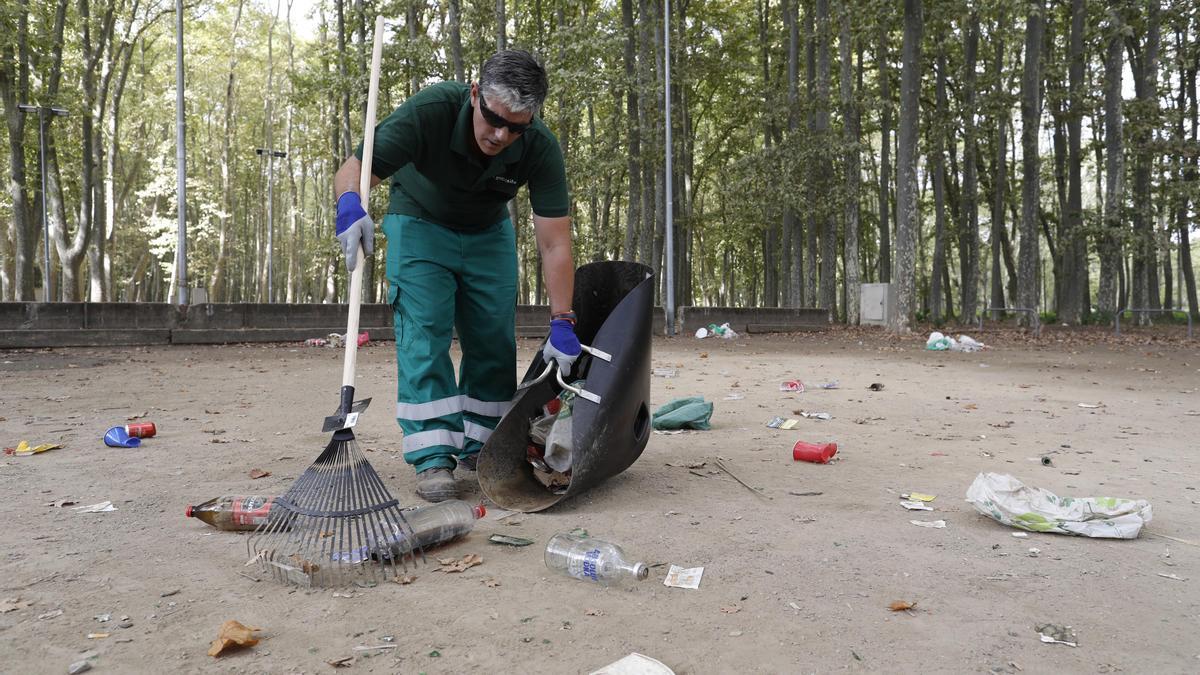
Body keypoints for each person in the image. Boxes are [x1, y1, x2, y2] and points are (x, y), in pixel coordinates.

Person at [331, 49, 580, 503]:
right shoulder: (431, 111)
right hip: (420, 222)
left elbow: (555, 242)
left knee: (492, 338)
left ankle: (482, 446)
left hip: (488, 232)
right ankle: (432, 455)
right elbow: (355, 168)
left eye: (516, 127)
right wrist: (350, 202)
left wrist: (564, 320)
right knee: (424, 331)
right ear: (475, 95)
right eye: (494, 119)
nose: (502, 134)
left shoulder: (540, 146)